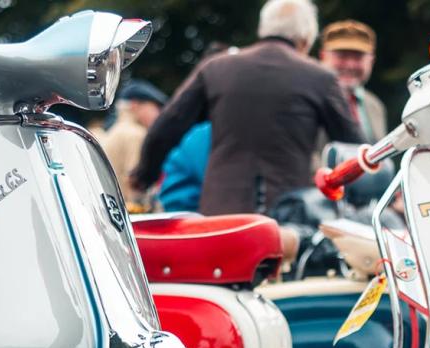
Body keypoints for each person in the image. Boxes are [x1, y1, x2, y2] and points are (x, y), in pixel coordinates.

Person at [131, 0, 362, 215]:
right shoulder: (320, 78)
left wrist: (144, 176)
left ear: (264, 28)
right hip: (288, 215)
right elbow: (354, 148)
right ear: (307, 39)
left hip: (220, 214)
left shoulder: (216, 68)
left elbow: (166, 127)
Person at [100, 79, 167, 207]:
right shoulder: (135, 135)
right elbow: (137, 188)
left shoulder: (114, 131)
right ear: (135, 105)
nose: (159, 114)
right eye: (156, 107)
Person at [319, 20, 386, 141]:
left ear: (371, 61)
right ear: (323, 57)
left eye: (358, 57)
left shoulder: (375, 105)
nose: (350, 65)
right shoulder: (309, 99)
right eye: (342, 56)